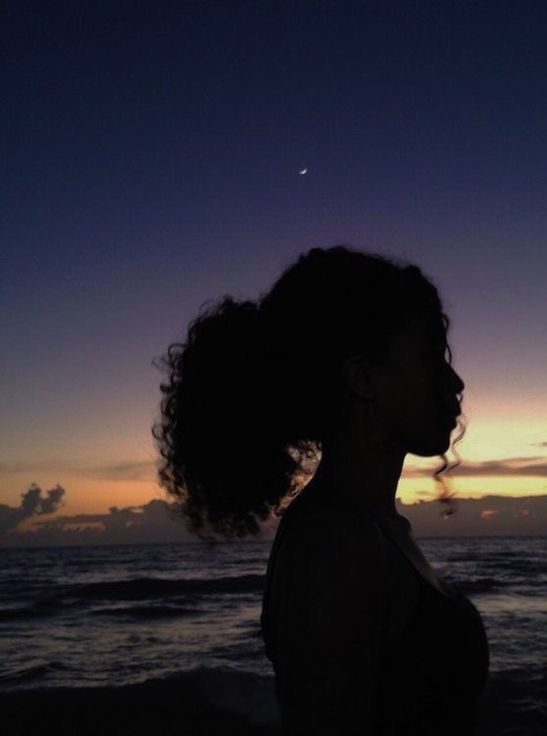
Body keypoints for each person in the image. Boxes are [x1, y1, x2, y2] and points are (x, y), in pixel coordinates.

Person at [153, 245, 489, 735]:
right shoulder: (335, 543)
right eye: (430, 357)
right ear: (362, 379)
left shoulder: (369, 526)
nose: (455, 381)